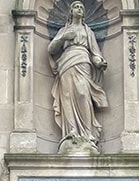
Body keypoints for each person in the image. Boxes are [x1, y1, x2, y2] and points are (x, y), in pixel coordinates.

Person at [48, 1, 109, 153]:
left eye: (81, 7)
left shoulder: (88, 32)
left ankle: (88, 134)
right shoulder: (64, 30)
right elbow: (51, 49)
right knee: (67, 97)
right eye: (76, 7)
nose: (79, 9)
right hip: (66, 62)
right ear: (71, 12)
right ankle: (71, 131)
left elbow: (95, 53)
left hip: (83, 61)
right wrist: (63, 38)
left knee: (83, 95)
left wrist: (99, 62)